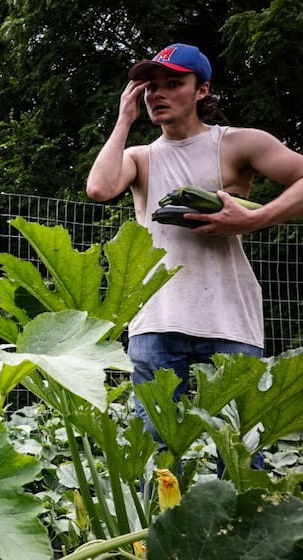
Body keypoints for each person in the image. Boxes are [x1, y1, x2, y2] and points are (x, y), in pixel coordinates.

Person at [86, 43, 303, 462]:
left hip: (229, 319)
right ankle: (160, 530)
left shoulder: (238, 144)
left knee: (240, 454)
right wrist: (123, 119)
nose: (158, 94)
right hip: (156, 318)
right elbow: (99, 188)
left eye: (173, 84)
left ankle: (242, 529)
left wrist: (255, 219)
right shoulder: (140, 158)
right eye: (151, 87)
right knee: (156, 454)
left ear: (202, 90)